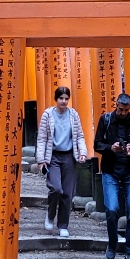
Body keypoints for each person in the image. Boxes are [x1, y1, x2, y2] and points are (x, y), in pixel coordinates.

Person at [93, 91, 130, 259]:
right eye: (120, 109)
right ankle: (112, 243)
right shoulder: (106, 120)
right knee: (112, 209)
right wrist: (110, 148)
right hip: (110, 170)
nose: (122, 113)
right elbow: (97, 144)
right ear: (116, 105)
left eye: (125, 110)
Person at [36, 85, 87, 239]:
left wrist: (82, 152)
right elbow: (42, 138)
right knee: (56, 188)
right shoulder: (48, 115)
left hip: (69, 156)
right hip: (53, 156)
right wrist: (40, 160)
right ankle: (50, 214)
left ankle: (63, 225)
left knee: (67, 192)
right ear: (56, 99)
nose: (64, 102)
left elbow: (79, 136)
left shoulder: (73, 115)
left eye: (66, 99)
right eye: (61, 98)